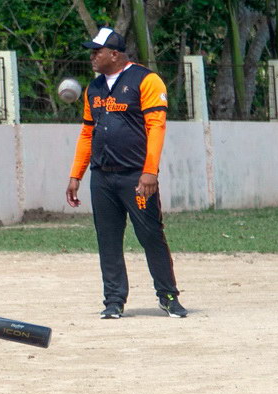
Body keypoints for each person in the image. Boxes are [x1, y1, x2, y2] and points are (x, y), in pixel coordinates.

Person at [65, 28, 188, 319]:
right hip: (102, 177)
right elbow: (87, 133)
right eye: (92, 51)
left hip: (136, 178)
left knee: (150, 235)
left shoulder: (145, 80)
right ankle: (114, 300)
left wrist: (149, 172)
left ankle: (168, 295)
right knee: (107, 239)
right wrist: (76, 174)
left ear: (115, 54)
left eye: (98, 51)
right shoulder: (93, 88)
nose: (93, 56)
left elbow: (156, 127)